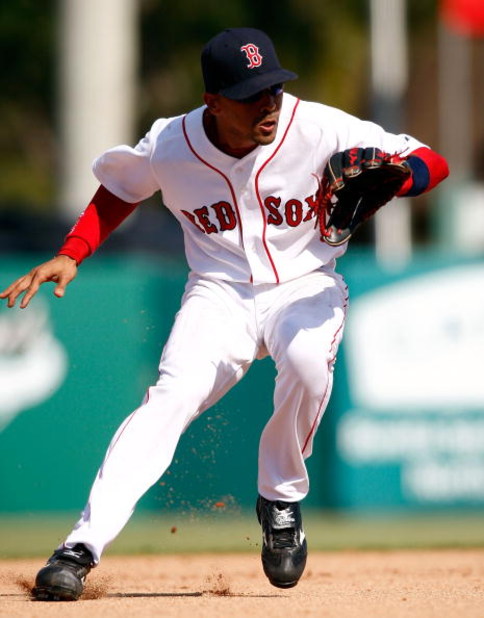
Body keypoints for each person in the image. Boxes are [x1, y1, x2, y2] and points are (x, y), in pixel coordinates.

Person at [0, 27, 449, 601]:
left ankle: (280, 497)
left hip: (305, 283)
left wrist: (404, 177)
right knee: (171, 396)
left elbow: (430, 159)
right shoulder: (171, 143)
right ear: (213, 100)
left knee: (310, 365)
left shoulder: (318, 126)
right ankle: (79, 547)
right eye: (251, 93)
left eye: (274, 88)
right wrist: (71, 253)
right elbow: (121, 189)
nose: (268, 103)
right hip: (219, 292)